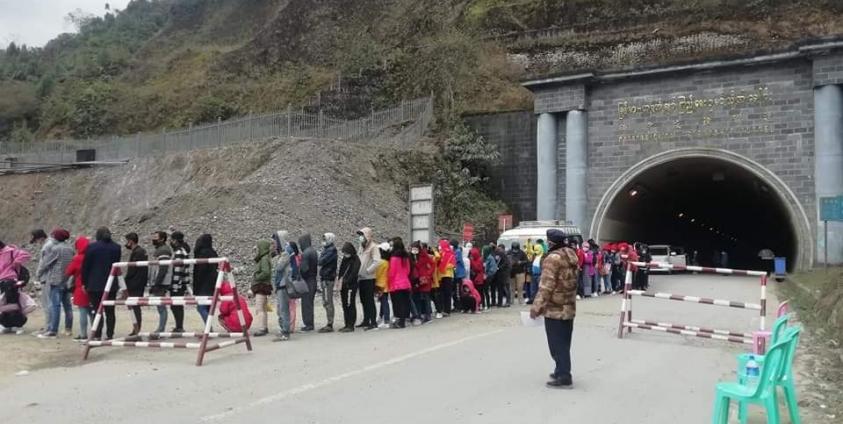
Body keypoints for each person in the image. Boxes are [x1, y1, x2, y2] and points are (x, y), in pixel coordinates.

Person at [530, 229, 580, 389]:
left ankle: (564, 376)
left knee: (556, 344)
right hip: (569, 306)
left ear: (550, 242)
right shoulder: (571, 254)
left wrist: (536, 307)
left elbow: (546, 286)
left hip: (555, 308)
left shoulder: (552, 259)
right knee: (565, 342)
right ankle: (561, 369)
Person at [82, 227, 122, 340]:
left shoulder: (92, 247)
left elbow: (86, 267)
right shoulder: (117, 247)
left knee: (96, 310)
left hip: (94, 284)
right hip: (111, 283)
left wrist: (84, 283)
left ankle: (97, 334)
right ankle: (110, 334)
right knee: (110, 311)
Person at [36, 228, 75, 338]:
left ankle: (53, 330)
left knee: (55, 306)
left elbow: (45, 264)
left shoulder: (56, 249)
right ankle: (68, 329)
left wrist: (38, 275)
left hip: (56, 280)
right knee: (68, 306)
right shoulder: (70, 249)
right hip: (67, 280)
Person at [65, 236, 91, 340]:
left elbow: (68, 272)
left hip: (80, 287)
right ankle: (95, 333)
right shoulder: (92, 256)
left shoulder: (77, 258)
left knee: (83, 311)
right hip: (92, 286)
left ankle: (83, 334)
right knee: (92, 311)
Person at [123, 233, 148, 337]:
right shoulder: (141, 251)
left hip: (135, 283)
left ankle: (137, 329)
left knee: (135, 307)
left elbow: (132, 270)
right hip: (139, 283)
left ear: (131, 241)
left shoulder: (137, 252)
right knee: (134, 306)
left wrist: (125, 280)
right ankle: (136, 328)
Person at [149, 231, 173, 338]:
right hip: (159, 282)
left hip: (162, 283)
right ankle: (161, 328)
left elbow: (163, 269)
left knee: (161, 306)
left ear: (162, 239)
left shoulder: (163, 250)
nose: (153, 239)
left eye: (155, 237)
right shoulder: (160, 250)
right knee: (160, 306)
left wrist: (156, 283)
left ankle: (161, 329)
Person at [356, 228, 381, 330]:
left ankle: (373, 322)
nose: (360, 237)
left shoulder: (373, 247)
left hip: (369, 278)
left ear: (367, 235)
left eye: (362, 235)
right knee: (363, 300)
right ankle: (366, 320)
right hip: (361, 278)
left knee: (369, 300)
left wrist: (368, 270)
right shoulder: (361, 247)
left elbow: (377, 261)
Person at [271, 232, 294, 341]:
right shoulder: (282, 252)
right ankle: (283, 329)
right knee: (280, 309)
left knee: (283, 309)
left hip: (284, 284)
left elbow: (279, 267)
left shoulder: (286, 252)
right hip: (280, 283)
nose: (274, 244)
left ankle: (286, 331)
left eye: (275, 241)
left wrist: (274, 257)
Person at [29, 229, 50, 335]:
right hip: (49, 278)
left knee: (47, 304)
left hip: (47, 278)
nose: (37, 243)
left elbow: (44, 264)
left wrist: (38, 275)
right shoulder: (49, 244)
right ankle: (49, 326)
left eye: (36, 240)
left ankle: (49, 327)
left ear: (41, 238)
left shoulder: (46, 247)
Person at [168, 231, 191, 333]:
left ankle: (179, 327)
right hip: (181, 283)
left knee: (176, 306)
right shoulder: (183, 251)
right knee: (177, 305)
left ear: (175, 241)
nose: (170, 242)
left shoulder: (178, 253)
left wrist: (174, 284)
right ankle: (179, 326)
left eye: (172, 240)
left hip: (177, 284)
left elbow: (177, 270)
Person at [193, 234, 218, 323]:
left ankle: (208, 329)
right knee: (207, 307)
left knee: (201, 307)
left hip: (203, 284)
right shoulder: (213, 252)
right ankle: (208, 328)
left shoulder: (202, 253)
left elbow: (200, 271)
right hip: (213, 282)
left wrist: (196, 285)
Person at [337, 242, 361, 333]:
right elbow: (341, 270)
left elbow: (354, 272)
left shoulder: (356, 259)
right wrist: (340, 281)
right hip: (343, 285)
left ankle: (351, 325)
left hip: (351, 285)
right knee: (344, 304)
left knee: (350, 304)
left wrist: (347, 281)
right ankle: (346, 323)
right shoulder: (345, 259)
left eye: (346, 252)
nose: (345, 254)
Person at [388, 238, 412, 329]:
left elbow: (392, 272)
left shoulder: (394, 257)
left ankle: (399, 322)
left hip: (396, 283)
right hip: (405, 282)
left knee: (398, 303)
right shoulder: (405, 256)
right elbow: (408, 270)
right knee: (404, 302)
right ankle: (403, 321)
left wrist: (390, 280)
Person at [251, 239, 273, 336]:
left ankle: (262, 328)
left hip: (261, 286)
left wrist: (257, 277)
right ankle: (264, 327)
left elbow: (266, 272)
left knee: (259, 308)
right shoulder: (264, 258)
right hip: (264, 286)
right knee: (263, 308)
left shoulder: (264, 259)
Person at [317, 233, 338, 333]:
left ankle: (330, 324)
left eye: (325, 239)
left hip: (328, 278)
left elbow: (321, 261)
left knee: (328, 301)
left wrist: (320, 257)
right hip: (325, 277)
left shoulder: (331, 251)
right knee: (326, 301)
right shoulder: (327, 250)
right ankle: (329, 322)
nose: (323, 241)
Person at [298, 234, 318, 332]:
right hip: (313, 279)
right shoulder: (313, 251)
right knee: (309, 303)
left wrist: (299, 273)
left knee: (306, 303)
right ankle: (310, 323)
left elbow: (304, 269)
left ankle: (308, 324)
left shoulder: (306, 253)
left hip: (307, 280)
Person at [411, 241, 434, 323]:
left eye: (415, 248)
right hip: (417, 280)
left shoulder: (424, 255)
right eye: (412, 249)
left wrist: (428, 274)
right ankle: (420, 314)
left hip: (424, 279)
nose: (413, 250)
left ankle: (428, 315)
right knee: (419, 298)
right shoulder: (412, 256)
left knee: (426, 298)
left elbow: (432, 264)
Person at [436, 239, 456, 317]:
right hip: (440, 276)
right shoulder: (440, 254)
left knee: (447, 294)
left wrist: (444, 267)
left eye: (440, 245)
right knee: (441, 294)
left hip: (447, 275)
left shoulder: (450, 254)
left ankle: (447, 310)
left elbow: (453, 265)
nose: (439, 247)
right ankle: (441, 309)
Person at [375, 242, 391, 328]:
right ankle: (381, 317)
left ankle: (386, 320)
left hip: (380, 284)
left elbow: (376, 274)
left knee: (384, 302)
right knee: (383, 301)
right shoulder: (387, 261)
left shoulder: (381, 262)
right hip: (386, 284)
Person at [468, 245, 485, 310]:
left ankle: (481, 304)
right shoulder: (475, 260)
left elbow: (478, 268)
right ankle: (476, 304)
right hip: (474, 278)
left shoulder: (479, 260)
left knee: (480, 292)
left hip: (478, 279)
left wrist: (472, 262)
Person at [481, 245, 497, 310]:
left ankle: (488, 304)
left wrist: (487, 275)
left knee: (486, 291)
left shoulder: (490, 258)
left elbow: (493, 269)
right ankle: (483, 304)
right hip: (482, 276)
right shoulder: (482, 258)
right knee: (482, 291)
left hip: (488, 277)